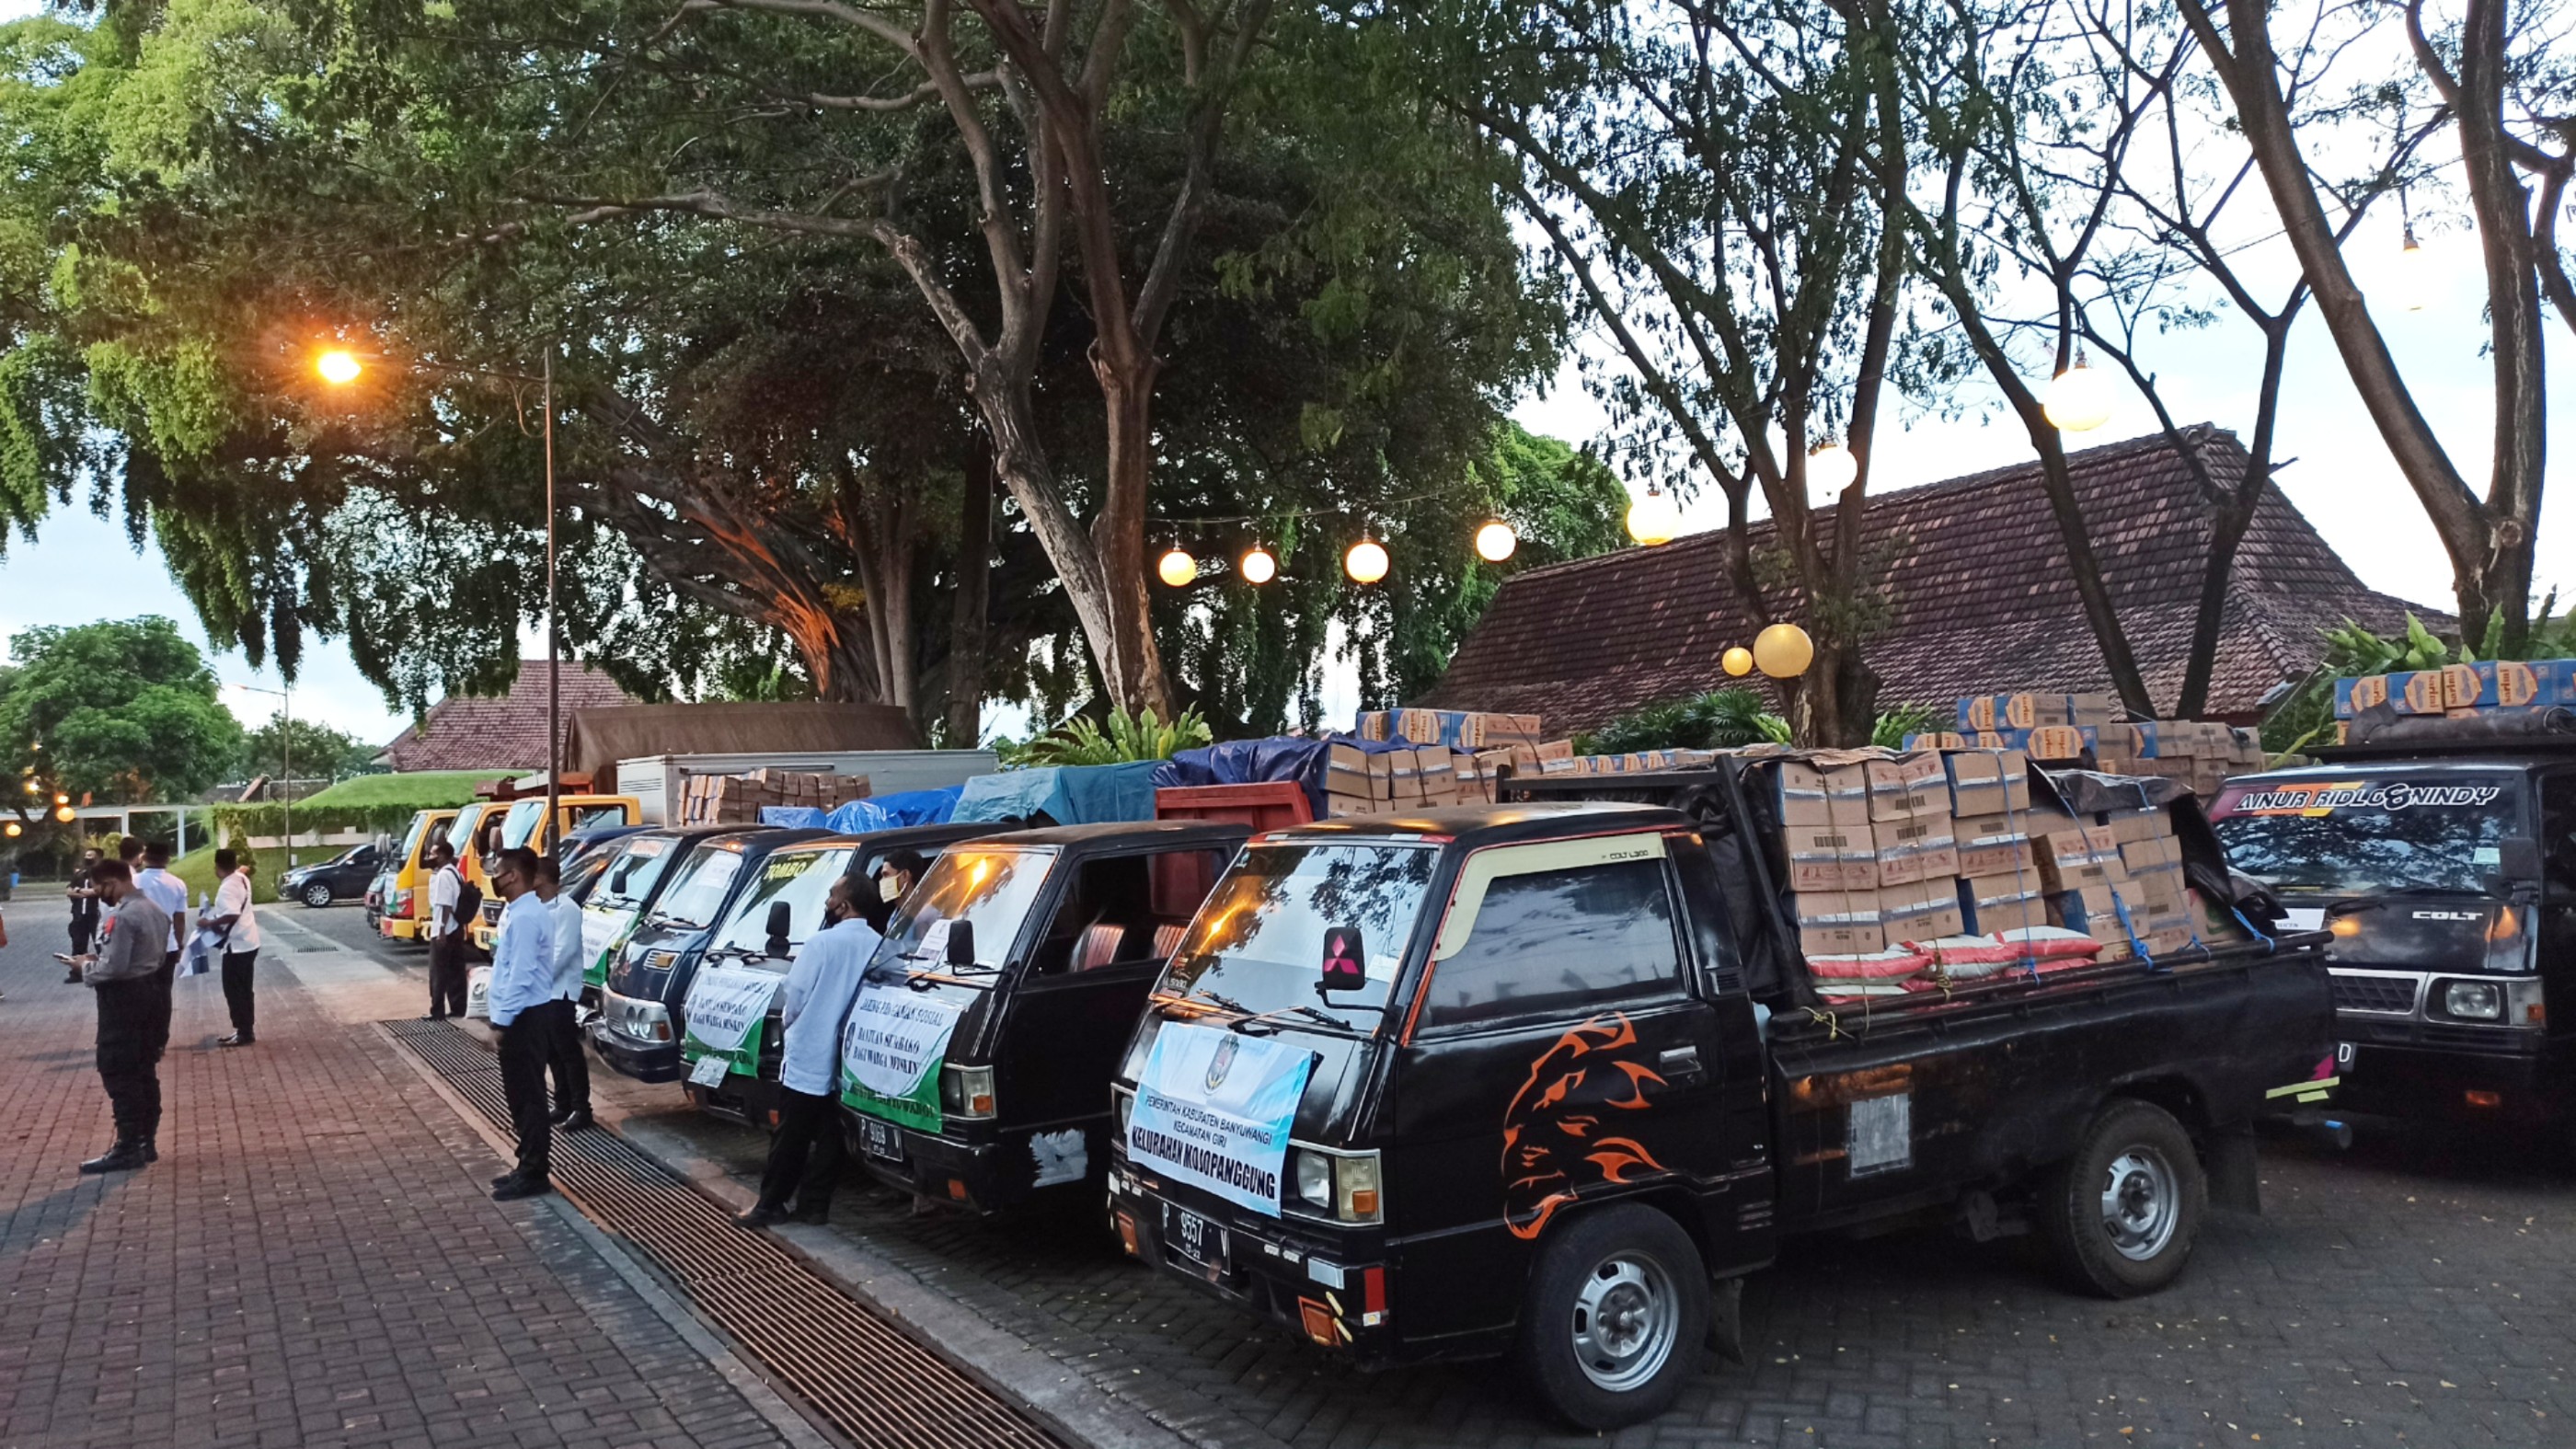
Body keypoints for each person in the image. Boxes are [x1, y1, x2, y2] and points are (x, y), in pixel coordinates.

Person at [738, 873, 883, 1227]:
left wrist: (791, 1025)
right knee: (832, 1134)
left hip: (810, 1050)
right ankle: (815, 1205)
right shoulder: (878, 945)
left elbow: (795, 995)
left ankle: (770, 1204)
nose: (828, 900)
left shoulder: (821, 943)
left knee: (792, 1133)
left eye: (832, 894)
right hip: (849, 1056)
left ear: (844, 905)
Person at [70, 860, 168, 1173]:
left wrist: (83, 967)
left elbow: (116, 967)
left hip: (124, 999)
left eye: (100, 889)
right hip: (152, 993)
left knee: (118, 1069)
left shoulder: (123, 916)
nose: (100, 896)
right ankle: (145, 1142)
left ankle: (128, 1146)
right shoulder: (154, 909)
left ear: (113, 882)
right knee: (143, 1069)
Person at [485, 847, 560, 1201]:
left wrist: (501, 1021)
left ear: (513, 875)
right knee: (519, 1097)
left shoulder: (528, 916)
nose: (494, 876)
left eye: (498, 871)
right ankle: (525, 1164)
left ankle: (535, 1171)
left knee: (529, 1098)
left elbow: (522, 973)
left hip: (526, 1017)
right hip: (520, 1014)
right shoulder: (518, 912)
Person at [533, 857, 593, 1131]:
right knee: (552, 1052)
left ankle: (582, 1108)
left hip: (560, 991)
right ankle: (563, 1103)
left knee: (567, 1050)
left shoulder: (567, 909)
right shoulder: (538, 907)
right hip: (543, 991)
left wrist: (538, 980)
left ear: (542, 878)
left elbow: (563, 951)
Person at [132, 840, 187, 1061]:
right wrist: (180, 943)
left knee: (141, 994)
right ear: (167, 858)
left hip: (140, 948)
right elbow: (179, 918)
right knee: (164, 994)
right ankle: (160, 1041)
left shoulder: (134, 881)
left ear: (144, 857)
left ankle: (143, 1038)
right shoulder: (177, 884)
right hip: (168, 946)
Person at [207, 848, 261, 1046]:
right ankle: (245, 1029)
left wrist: (209, 923)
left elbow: (232, 914)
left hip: (236, 945)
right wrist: (241, 869)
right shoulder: (240, 878)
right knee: (245, 988)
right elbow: (242, 870)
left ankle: (243, 1031)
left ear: (217, 866)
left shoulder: (227, 888)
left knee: (234, 990)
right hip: (249, 941)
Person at [424, 840, 468, 1019]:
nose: (430, 858)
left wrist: (441, 930)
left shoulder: (443, 875)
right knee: (456, 971)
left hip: (444, 930)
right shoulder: (456, 873)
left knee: (437, 973)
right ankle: (458, 1009)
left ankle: (437, 1011)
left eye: (433, 854)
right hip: (457, 928)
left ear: (442, 856)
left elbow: (444, 904)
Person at [65, 847, 104, 983]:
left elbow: (98, 891)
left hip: (96, 915)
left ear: (98, 858)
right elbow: (69, 891)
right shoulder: (80, 874)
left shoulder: (102, 874)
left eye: (91, 856)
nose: (87, 858)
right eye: (86, 855)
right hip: (79, 915)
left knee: (100, 945)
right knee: (78, 945)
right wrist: (85, 892)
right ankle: (77, 973)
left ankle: (103, 973)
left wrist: (80, 891)